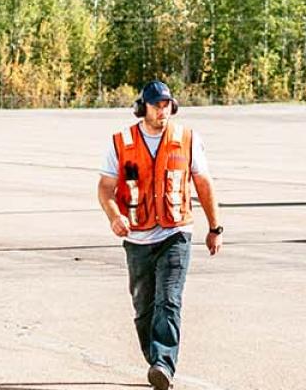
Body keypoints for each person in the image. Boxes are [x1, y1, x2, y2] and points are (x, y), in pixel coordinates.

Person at [96, 80, 220, 390]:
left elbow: (203, 184)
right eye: (156, 105)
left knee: (169, 300)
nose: (162, 111)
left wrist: (214, 227)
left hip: (175, 232)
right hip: (137, 237)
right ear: (143, 108)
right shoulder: (121, 142)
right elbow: (105, 189)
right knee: (144, 307)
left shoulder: (187, 139)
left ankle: (164, 363)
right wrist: (115, 217)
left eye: (167, 105)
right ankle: (156, 358)